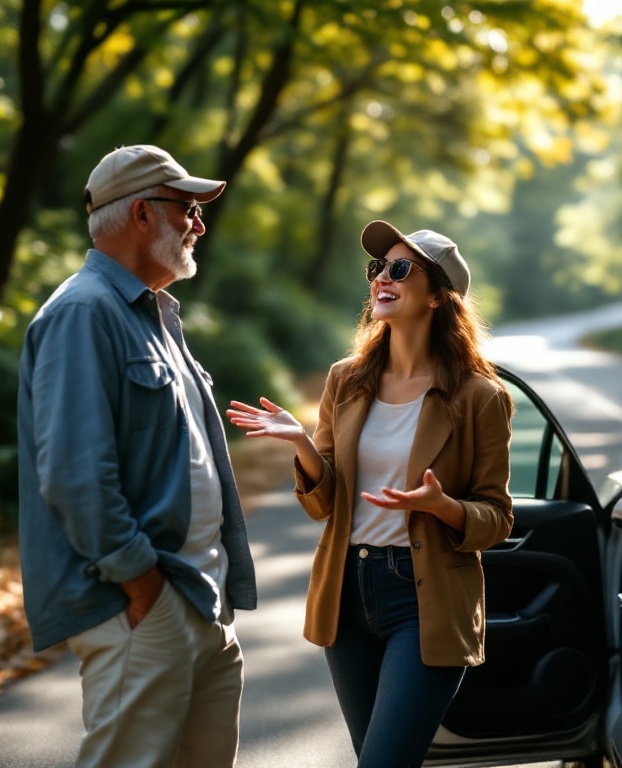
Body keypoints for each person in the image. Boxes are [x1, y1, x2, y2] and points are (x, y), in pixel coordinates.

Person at [226, 220, 514, 767]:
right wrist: (302, 445)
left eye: (400, 269)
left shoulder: (480, 397)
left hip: (423, 600)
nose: (383, 277)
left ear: (436, 298)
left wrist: (441, 507)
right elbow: (323, 504)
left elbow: (497, 517)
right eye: (378, 268)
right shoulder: (346, 380)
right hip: (348, 593)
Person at [16, 144, 257, 768]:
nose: (198, 224)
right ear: (143, 213)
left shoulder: (154, 314)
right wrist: (141, 584)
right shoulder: (82, 313)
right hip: (147, 604)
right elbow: (74, 474)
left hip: (200, 598)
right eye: (188, 209)